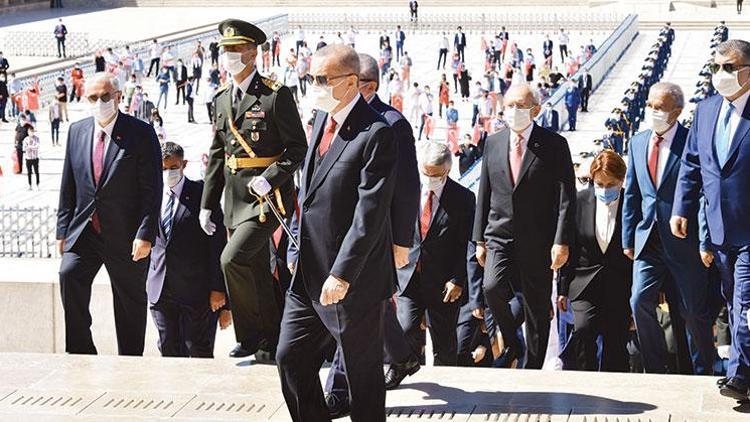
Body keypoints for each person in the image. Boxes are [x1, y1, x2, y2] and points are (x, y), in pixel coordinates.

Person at [275, 44, 396, 422]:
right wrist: (295, 242)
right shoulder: (320, 119)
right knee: (290, 358)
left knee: (362, 379)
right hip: (308, 272)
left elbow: (369, 214)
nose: (313, 85)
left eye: (321, 79)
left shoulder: (376, 132)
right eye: (311, 77)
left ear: (350, 83)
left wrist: (342, 273)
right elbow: (307, 194)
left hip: (350, 280)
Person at [320, 53, 421, 418]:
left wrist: (401, 244)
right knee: (369, 311)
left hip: (375, 238)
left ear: (367, 86)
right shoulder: (337, 121)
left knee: (354, 314)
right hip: (341, 237)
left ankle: (339, 389)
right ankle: (404, 355)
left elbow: (408, 187)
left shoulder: (391, 123)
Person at [201, 19, 307, 360]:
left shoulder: (275, 96)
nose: (228, 55)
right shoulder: (220, 99)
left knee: (231, 259)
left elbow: (297, 149)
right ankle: (272, 340)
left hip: (265, 199)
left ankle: (248, 336)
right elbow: (218, 155)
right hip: (235, 198)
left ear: (252, 52)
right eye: (225, 50)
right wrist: (207, 203)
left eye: (235, 49)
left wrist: (273, 176)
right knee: (257, 269)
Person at [56, 72, 162, 356]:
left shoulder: (141, 133)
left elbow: (152, 189)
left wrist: (145, 234)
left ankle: (130, 360)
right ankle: (80, 351)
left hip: (126, 235)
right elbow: (69, 184)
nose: (100, 102)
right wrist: (61, 230)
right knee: (69, 275)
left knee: (129, 301)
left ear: (118, 97)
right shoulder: (76, 131)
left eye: (105, 96)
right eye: (93, 97)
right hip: (85, 231)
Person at [473, 83, 576, 369]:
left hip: (538, 238)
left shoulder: (554, 145)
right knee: (492, 287)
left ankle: (532, 367)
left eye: (520, 106)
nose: (513, 111)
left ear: (536, 110)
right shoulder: (493, 142)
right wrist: (478, 239)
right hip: (499, 234)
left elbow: (566, 197)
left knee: (537, 307)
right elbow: (485, 191)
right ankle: (513, 341)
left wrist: (561, 240)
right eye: (509, 105)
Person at [672, 40, 750, 400]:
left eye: (730, 68)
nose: (721, 74)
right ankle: (742, 369)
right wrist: (681, 208)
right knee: (733, 301)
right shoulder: (705, 111)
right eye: (716, 67)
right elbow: (692, 165)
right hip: (721, 229)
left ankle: (740, 374)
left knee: (746, 299)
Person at [623, 82, 716, 376]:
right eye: (650, 105)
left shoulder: (693, 142)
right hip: (647, 239)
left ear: (677, 111)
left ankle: (704, 368)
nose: (652, 111)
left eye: (659, 107)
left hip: (683, 241)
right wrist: (628, 238)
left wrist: (703, 239)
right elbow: (633, 193)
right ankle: (655, 366)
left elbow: (702, 193)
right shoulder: (637, 142)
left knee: (692, 311)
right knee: (639, 300)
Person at [397, 140, 474, 366]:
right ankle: (407, 369)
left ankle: (448, 383)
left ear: (447, 171)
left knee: (444, 342)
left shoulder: (463, 198)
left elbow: (466, 244)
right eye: (425, 173)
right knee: (406, 329)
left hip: (444, 283)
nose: (429, 178)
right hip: (408, 275)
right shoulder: (405, 190)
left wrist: (458, 279)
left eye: (435, 174)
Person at [147, 142, 227, 358]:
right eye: (163, 169)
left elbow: (217, 244)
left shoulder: (202, 194)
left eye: (173, 167)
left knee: (198, 349)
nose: (168, 173)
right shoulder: (150, 194)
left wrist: (220, 290)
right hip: (161, 289)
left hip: (196, 292)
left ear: (183, 164)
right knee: (168, 348)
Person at [559, 150, 632, 372]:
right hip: (584, 282)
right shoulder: (580, 201)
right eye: (599, 183)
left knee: (615, 341)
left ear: (621, 180)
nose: (604, 189)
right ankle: (585, 381)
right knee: (582, 329)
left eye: (611, 184)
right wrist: (562, 287)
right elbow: (567, 246)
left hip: (619, 284)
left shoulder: (631, 203)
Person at [22, 126, 40, 190]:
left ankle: (37, 184)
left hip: (35, 157)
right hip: (28, 158)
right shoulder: (25, 139)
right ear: (28, 132)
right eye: (30, 132)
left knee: (36, 172)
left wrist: (29, 147)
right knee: (29, 172)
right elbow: (24, 148)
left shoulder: (37, 138)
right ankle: (30, 185)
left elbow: (37, 146)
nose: (31, 133)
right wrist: (31, 147)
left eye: (32, 132)